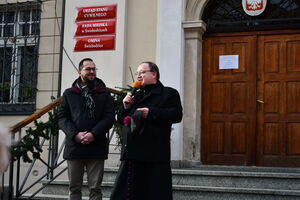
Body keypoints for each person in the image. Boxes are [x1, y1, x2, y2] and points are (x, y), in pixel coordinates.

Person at [110, 61, 183, 200]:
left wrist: (150, 113)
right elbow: (121, 120)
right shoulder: (135, 96)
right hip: (133, 154)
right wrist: (125, 107)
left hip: (155, 154)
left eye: (142, 72)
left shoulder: (169, 93)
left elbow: (176, 115)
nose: (138, 76)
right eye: (137, 73)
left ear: (154, 74)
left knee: (155, 193)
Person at [58, 58, 115, 200]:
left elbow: (109, 118)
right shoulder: (69, 94)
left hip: (96, 146)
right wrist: (75, 134)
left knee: (95, 189)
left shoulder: (104, 93)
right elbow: (62, 118)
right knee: (74, 188)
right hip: (74, 146)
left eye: (93, 69)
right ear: (79, 72)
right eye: (88, 69)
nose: (91, 71)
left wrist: (93, 134)